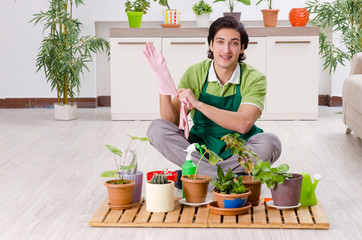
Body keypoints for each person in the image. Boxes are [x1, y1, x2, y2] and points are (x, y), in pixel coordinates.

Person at [144, 16, 281, 177]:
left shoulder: (254, 78)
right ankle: (225, 177)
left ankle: (202, 175)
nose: (226, 50)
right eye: (220, 42)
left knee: (271, 142)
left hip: (239, 152)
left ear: (242, 47)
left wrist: (199, 104)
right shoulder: (195, 73)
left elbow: (243, 124)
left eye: (234, 43)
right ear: (211, 45)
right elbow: (171, 122)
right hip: (201, 151)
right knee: (157, 129)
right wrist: (162, 81)